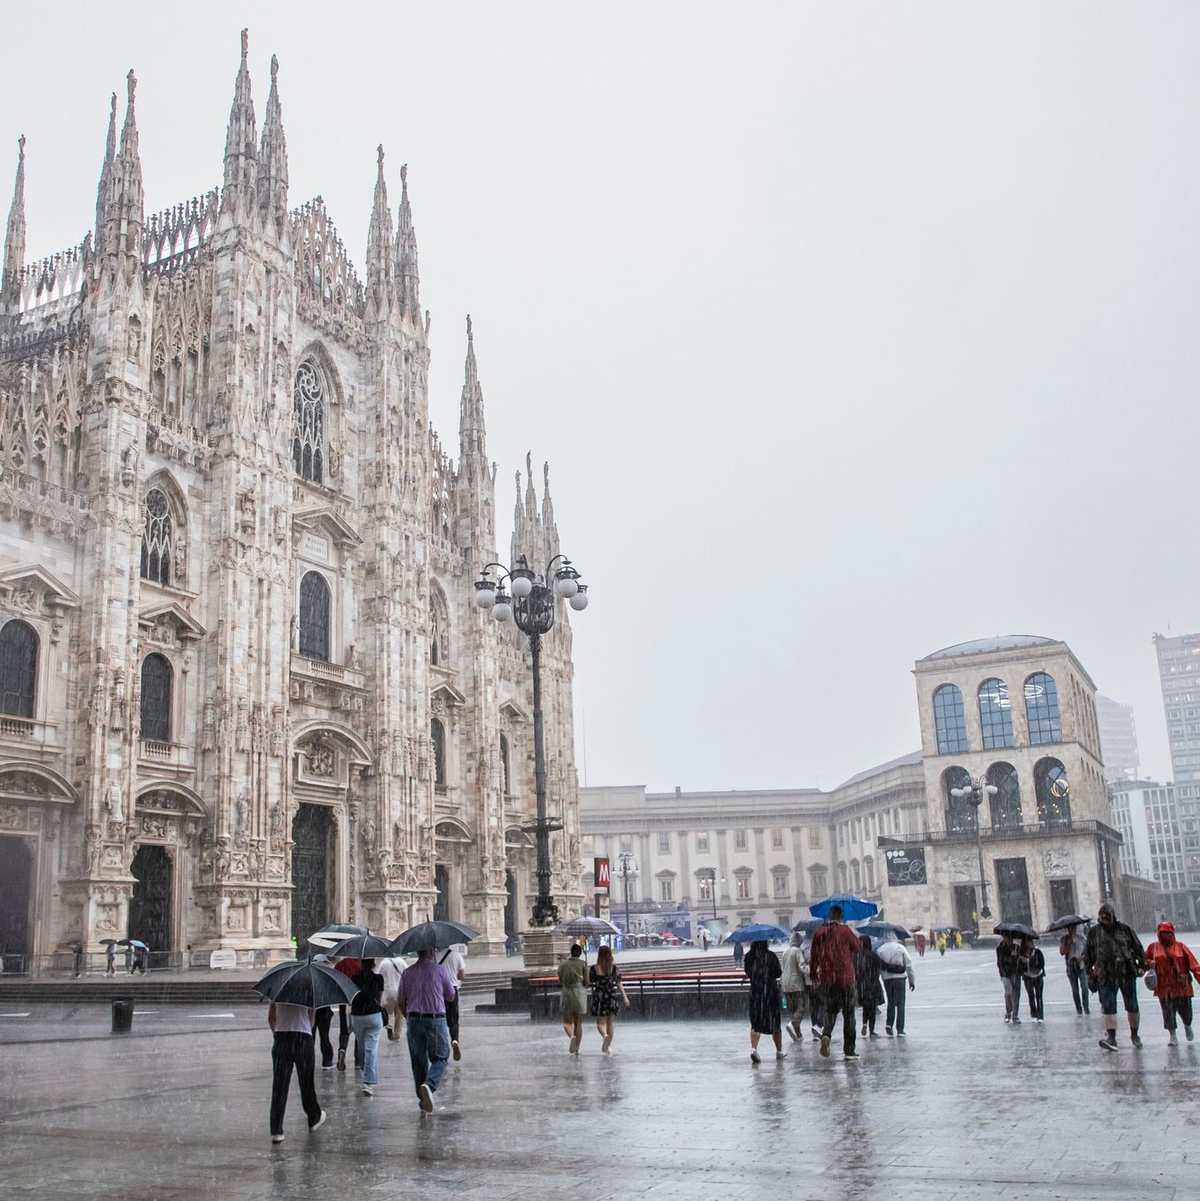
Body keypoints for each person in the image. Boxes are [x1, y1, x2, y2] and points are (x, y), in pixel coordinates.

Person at [395, 947, 458, 1112]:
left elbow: (401, 1001)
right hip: (435, 1019)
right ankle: (429, 1086)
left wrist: (408, 1016)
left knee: (418, 1061)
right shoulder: (439, 970)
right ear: (430, 952)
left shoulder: (407, 973)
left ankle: (423, 1101)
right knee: (441, 1056)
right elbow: (451, 996)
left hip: (414, 1019)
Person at [1085, 901, 1146, 1052]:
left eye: (1107, 916)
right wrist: (1090, 973)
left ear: (1112, 916)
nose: (1104, 918)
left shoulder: (1125, 930)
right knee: (1109, 1007)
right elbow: (1088, 954)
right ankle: (1111, 1038)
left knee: (1132, 1006)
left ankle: (1135, 1035)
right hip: (1106, 975)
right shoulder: (1094, 933)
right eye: (1101, 916)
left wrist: (1142, 966)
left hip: (1126, 973)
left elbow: (1138, 948)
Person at [267, 999, 326, 1143]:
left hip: (282, 1037)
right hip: (303, 1037)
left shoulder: (278, 991)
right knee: (306, 1083)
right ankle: (313, 1117)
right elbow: (311, 1018)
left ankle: (276, 1129)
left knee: (279, 1086)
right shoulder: (307, 990)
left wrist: (279, 1033)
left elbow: (271, 1018)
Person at [809, 904, 863, 1060]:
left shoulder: (819, 932)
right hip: (845, 978)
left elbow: (813, 956)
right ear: (841, 916)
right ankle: (849, 1051)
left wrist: (814, 973)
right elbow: (858, 948)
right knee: (849, 1015)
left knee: (830, 1011)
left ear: (829, 915)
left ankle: (826, 1035)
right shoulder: (845, 931)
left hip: (828, 978)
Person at [1144, 921, 1200, 1046]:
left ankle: (1187, 1025)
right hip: (1164, 987)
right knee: (1168, 1012)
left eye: (1168, 933)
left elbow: (1193, 964)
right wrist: (1149, 963)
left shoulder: (1181, 947)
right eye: (1163, 933)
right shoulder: (1153, 947)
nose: (1166, 936)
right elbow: (1143, 960)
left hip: (1182, 986)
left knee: (1186, 1011)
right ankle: (1173, 1035)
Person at [349, 958, 387, 1096]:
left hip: (357, 1015)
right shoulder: (378, 978)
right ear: (373, 964)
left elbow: (351, 999)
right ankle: (368, 1082)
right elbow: (380, 998)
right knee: (371, 1048)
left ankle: (367, 1073)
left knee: (361, 1046)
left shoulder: (353, 978)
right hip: (373, 1015)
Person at [743, 939, 784, 1062]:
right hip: (771, 992)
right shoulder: (771, 956)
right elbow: (778, 973)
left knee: (756, 1023)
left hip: (756, 993)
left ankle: (754, 1049)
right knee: (775, 1023)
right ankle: (779, 1051)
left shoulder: (749, 957)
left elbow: (748, 973)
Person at [589, 944, 629, 1053]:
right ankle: (609, 1045)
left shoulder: (595, 968)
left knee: (599, 1023)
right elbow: (619, 984)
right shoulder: (614, 968)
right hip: (611, 995)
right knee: (610, 1022)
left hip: (599, 996)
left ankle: (604, 1036)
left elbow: (588, 982)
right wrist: (625, 998)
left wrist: (585, 972)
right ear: (610, 955)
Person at [877, 938, 915, 1036]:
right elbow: (909, 965)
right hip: (900, 978)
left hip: (887, 979)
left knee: (891, 1002)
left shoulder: (880, 950)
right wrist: (912, 980)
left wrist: (882, 976)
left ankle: (889, 1023)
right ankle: (900, 1029)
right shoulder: (900, 947)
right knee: (901, 1003)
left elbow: (878, 966)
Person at [557, 943, 589, 1054]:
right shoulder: (583, 964)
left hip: (567, 992)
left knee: (566, 1022)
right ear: (580, 953)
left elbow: (560, 980)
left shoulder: (563, 964)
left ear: (571, 952)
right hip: (579, 993)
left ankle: (571, 1036)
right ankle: (577, 1048)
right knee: (578, 1022)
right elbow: (587, 982)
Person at [439, 944, 466, 1061]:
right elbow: (462, 975)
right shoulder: (456, 955)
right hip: (452, 989)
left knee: (440, 1018)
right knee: (453, 1019)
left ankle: (443, 1047)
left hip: (438, 990)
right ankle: (455, 1039)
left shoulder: (434, 955)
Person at [780, 932, 809, 1042]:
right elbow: (802, 967)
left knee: (793, 1009)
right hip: (796, 983)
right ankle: (793, 1024)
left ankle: (797, 1033)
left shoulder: (785, 952)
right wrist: (811, 969)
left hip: (786, 984)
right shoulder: (797, 951)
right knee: (800, 1008)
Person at [856, 934, 884, 1038]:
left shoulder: (857, 956)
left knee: (865, 1007)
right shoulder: (873, 955)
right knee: (872, 1008)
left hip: (861, 985)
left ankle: (864, 1024)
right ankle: (871, 1031)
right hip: (873, 984)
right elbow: (882, 966)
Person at [1059, 921, 1090, 1015]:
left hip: (1081, 965)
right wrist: (1069, 944)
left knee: (1084, 987)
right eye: (1070, 928)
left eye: (1074, 928)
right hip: (1071, 967)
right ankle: (1078, 1007)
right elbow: (1062, 952)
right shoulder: (1064, 939)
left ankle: (1086, 1006)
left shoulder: (1082, 938)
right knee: (1075, 989)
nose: (1072, 930)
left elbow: (1088, 951)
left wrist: (1082, 958)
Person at [376, 955, 406, 1042]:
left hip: (387, 991)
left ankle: (389, 1025)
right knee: (399, 1015)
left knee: (388, 1013)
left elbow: (378, 976)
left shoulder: (383, 963)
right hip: (400, 992)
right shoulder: (402, 962)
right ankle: (397, 1034)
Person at [997, 931, 1022, 1024]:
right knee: (1008, 993)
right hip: (1005, 974)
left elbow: (1020, 960)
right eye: (1007, 938)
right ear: (1004, 938)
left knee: (1016, 994)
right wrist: (1011, 955)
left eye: (1011, 938)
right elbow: (1000, 961)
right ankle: (1008, 1013)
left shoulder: (1016, 947)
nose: (1009, 940)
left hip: (1015, 972)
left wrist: (1016, 956)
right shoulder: (999, 948)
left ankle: (1015, 1015)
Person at [1020, 936, 1045, 1023]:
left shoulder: (1037, 952)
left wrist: (1029, 961)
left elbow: (1041, 964)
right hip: (1027, 977)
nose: (1030, 943)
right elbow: (1020, 968)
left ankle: (1040, 1016)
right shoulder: (1022, 954)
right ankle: (1033, 1014)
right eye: (1028, 941)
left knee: (1039, 996)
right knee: (1031, 996)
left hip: (1038, 976)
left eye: (1031, 941)